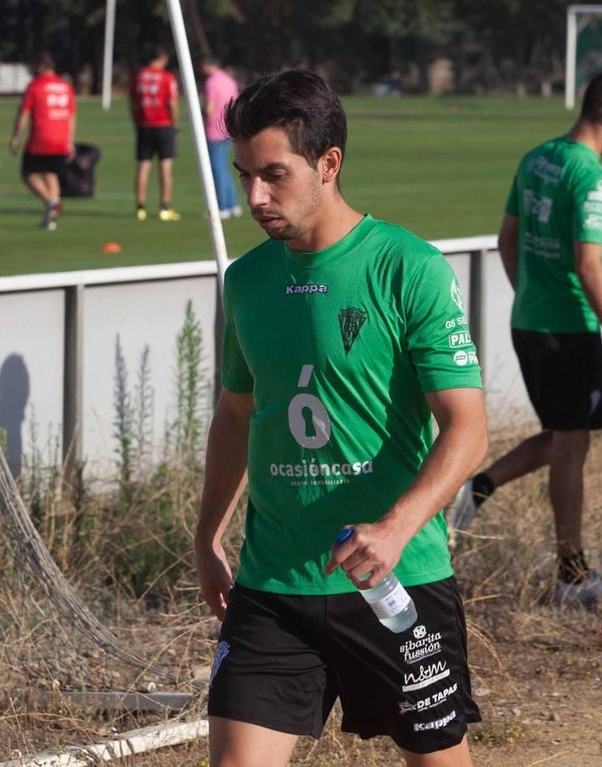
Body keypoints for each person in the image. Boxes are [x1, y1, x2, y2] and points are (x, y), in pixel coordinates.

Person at [195, 70, 488, 766]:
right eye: (244, 175)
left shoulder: (408, 268)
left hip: (396, 582)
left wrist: (395, 528)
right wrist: (207, 532)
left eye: (274, 174)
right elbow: (236, 415)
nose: (255, 196)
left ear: (329, 164)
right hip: (273, 585)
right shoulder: (245, 280)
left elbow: (467, 429)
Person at [445, 67, 602, 605]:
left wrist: (529, 293)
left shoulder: (536, 158)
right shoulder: (592, 176)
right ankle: (572, 575)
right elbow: (589, 266)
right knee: (571, 447)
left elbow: (506, 240)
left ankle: (478, 487)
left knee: (568, 436)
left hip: (530, 321)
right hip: (567, 328)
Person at [10, 51, 76, 231]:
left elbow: (24, 113)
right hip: (61, 140)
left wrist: (16, 136)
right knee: (50, 173)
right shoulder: (65, 86)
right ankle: (50, 219)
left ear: (40, 66)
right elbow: (71, 116)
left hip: (41, 139)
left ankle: (51, 202)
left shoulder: (35, 86)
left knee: (28, 173)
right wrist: (70, 141)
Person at [129, 45, 180, 222]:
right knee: (165, 167)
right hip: (163, 125)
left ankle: (140, 207)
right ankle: (165, 207)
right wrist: (175, 123)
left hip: (144, 125)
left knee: (143, 165)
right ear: (161, 59)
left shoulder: (139, 76)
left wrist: (137, 120)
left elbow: (133, 102)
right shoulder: (167, 78)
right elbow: (172, 103)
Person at [200, 57, 241, 220]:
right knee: (223, 167)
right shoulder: (229, 80)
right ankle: (233, 204)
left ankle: (222, 206)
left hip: (214, 130)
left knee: (216, 169)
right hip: (228, 128)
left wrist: (200, 115)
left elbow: (209, 108)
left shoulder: (211, 82)